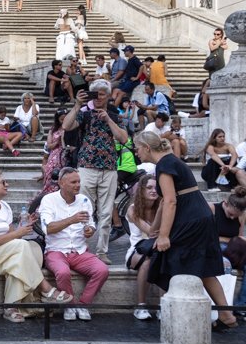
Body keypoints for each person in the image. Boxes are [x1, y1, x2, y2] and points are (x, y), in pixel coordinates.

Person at [134, 131, 238, 330]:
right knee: (205, 268)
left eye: (138, 148)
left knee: (174, 261)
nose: (136, 152)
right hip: (198, 216)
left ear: (147, 148)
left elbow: (171, 201)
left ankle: (180, 317)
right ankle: (226, 314)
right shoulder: (171, 160)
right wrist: (156, 229)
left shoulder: (164, 165)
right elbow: (165, 201)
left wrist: (163, 235)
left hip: (191, 219)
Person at [0, 169, 70, 321]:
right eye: (3, 182)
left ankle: (10, 308)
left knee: (26, 254)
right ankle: (45, 290)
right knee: (22, 247)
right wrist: (18, 234)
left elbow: (10, 236)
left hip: (0, 252)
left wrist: (24, 226)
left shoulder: (6, 207)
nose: (7, 185)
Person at [62, 80, 129, 264]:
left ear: (108, 96)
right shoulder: (85, 114)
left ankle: (101, 252)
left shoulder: (114, 116)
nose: (98, 97)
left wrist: (108, 119)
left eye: (101, 94)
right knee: (84, 209)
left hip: (109, 168)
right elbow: (66, 126)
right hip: (86, 166)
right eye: (95, 94)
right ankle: (81, 248)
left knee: (106, 212)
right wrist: (77, 104)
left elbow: (123, 138)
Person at [38, 168, 110, 321]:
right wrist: (71, 219)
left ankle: (83, 305)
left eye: (79, 182)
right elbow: (48, 229)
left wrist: (90, 230)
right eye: (73, 182)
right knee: (63, 272)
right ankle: (70, 306)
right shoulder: (49, 200)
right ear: (61, 183)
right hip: (55, 251)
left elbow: (90, 224)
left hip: (80, 251)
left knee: (102, 270)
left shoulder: (84, 200)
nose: (78, 185)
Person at [124, 174, 163, 320]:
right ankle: (140, 305)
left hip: (157, 248)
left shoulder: (160, 207)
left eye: (156, 188)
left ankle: (162, 306)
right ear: (141, 190)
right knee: (148, 262)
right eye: (149, 188)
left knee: (162, 258)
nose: (153, 191)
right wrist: (161, 211)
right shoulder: (132, 209)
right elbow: (151, 232)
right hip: (137, 250)